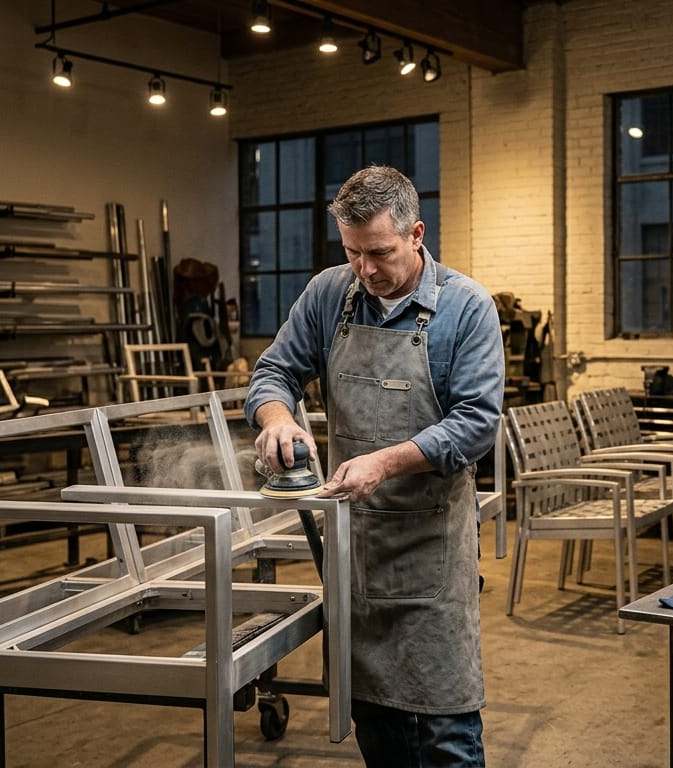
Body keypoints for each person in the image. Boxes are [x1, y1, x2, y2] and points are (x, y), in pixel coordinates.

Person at [246, 165, 504, 767]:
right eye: (352, 252)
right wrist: (277, 418)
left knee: (446, 735)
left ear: (416, 234)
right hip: (355, 555)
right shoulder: (331, 294)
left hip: (430, 561)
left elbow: (476, 425)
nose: (364, 269)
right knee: (379, 729)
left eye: (379, 253)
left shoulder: (466, 309)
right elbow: (273, 372)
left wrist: (384, 462)